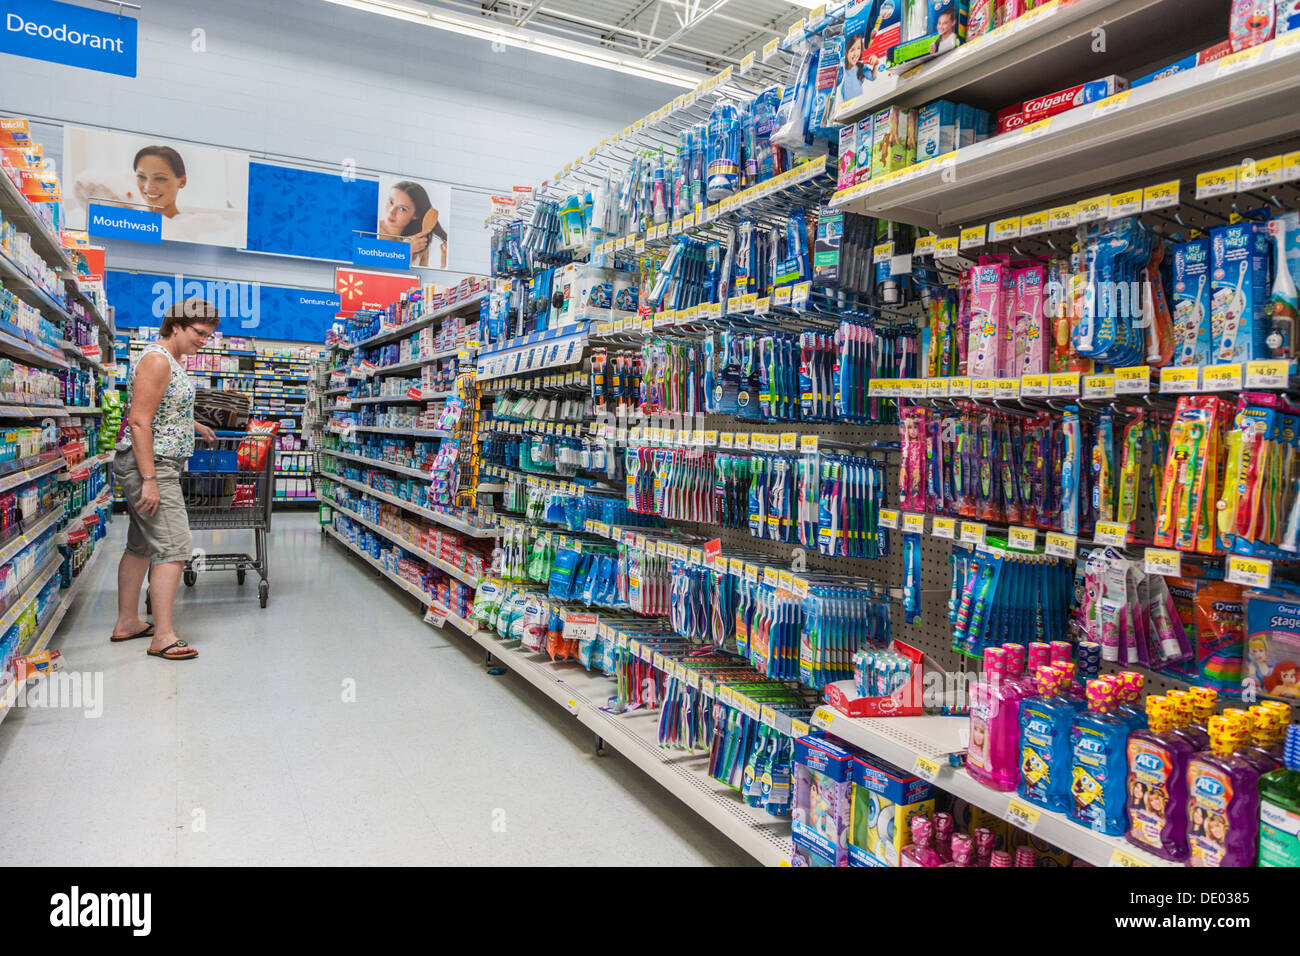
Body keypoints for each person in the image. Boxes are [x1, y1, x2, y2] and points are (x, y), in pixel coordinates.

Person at [110, 299, 219, 661]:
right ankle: (164, 636)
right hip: (152, 464)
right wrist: (150, 480)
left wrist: (194, 424)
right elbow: (140, 421)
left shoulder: (168, 360)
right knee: (175, 546)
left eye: (208, 335)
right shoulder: (157, 359)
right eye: (199, 333)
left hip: (154, 461)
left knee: (141, 546)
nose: (204, 341)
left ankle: (127, 621)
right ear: (176, 325)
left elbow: (160, 410)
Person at [377, 181, 448, 268]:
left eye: (402, 209)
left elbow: (423, 278)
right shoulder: (374, 231)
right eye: (391, 201)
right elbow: (371, 267)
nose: (391, 211)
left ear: (416, 215)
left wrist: (444, 264)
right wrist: (403, 249)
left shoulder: (419, 242)